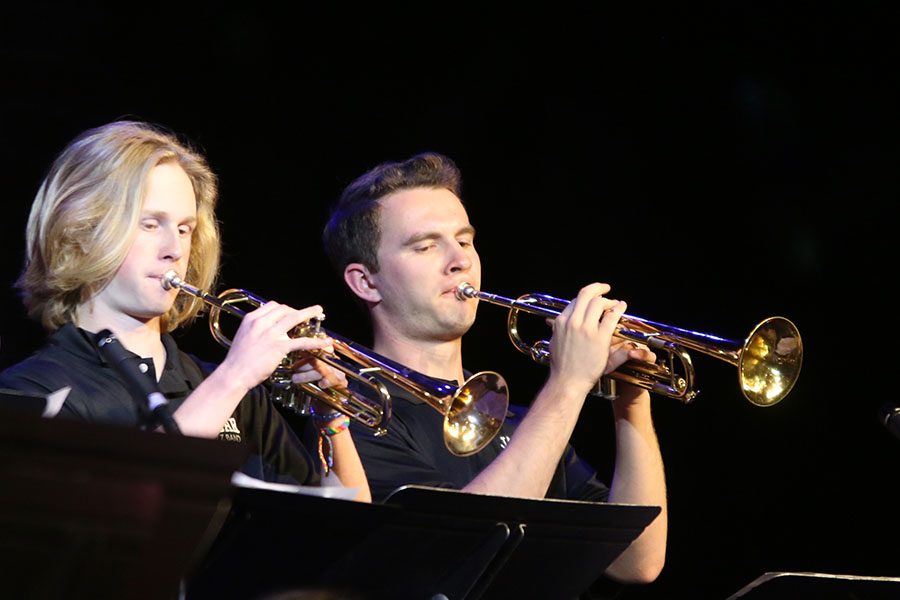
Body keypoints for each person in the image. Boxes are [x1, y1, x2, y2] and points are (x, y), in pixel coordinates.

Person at [322, 152, 666, 584]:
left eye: (464, 241)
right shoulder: (355, 416)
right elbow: (469, 547)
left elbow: (636, 562)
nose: (460, 260)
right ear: (365, 282)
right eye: (427, 245)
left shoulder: (525, 425)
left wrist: (631, 402)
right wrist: (568, 382)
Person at [0, 120, 370, 502]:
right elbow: (119, 510)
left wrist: (331, 415)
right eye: (149, 224)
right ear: (81, 232)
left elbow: (349, 530)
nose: (174, 249)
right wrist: (235, 376)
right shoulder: (30, 393)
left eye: (184, 228)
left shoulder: (233, 393)